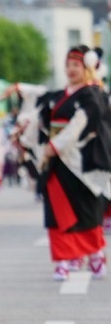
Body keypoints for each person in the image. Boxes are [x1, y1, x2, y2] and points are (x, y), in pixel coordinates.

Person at [37, 47, 111, 281]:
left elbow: (80, 124)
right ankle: (62, 261)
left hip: (81, 161)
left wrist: (56, 145)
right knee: (56, 213)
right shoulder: (59, 95)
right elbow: (42, 117)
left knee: (86, 212)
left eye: (76, 65)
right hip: (57, 161)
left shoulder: (92, 94)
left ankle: (95, 252)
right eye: (68, 65)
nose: (71, 70)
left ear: (87, 68)